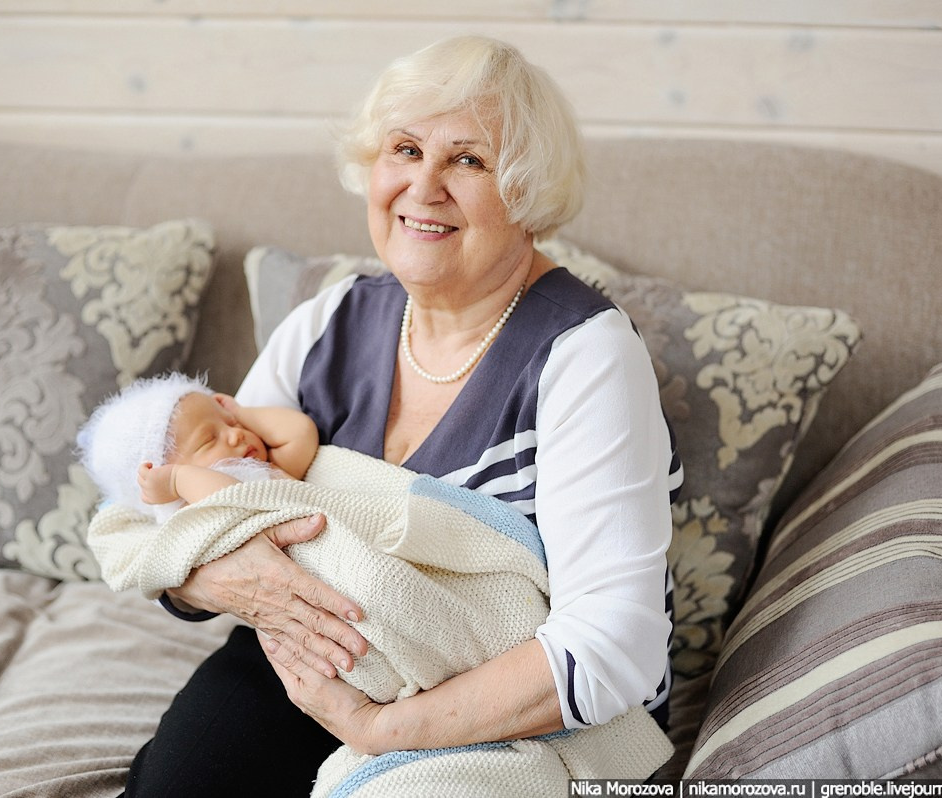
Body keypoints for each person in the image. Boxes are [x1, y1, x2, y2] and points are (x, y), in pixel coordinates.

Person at [119, 35, 681, 796]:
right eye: (405, 150)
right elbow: (199, 507)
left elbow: (614, 648)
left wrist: (379, 730)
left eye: (468, 160)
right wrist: (228, 577)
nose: (424, 186)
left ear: (527, 193)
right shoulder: (330, 320)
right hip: (321, 658)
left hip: (505, 703)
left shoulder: (584, 354)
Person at [77, 371, 319, 520]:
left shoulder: (272, 472)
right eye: (209, 439)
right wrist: (176, 481)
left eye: (232, 423)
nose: (236, 434)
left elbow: (301, 432)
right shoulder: (189, 514)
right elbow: (233, 498)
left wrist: (240, 412)